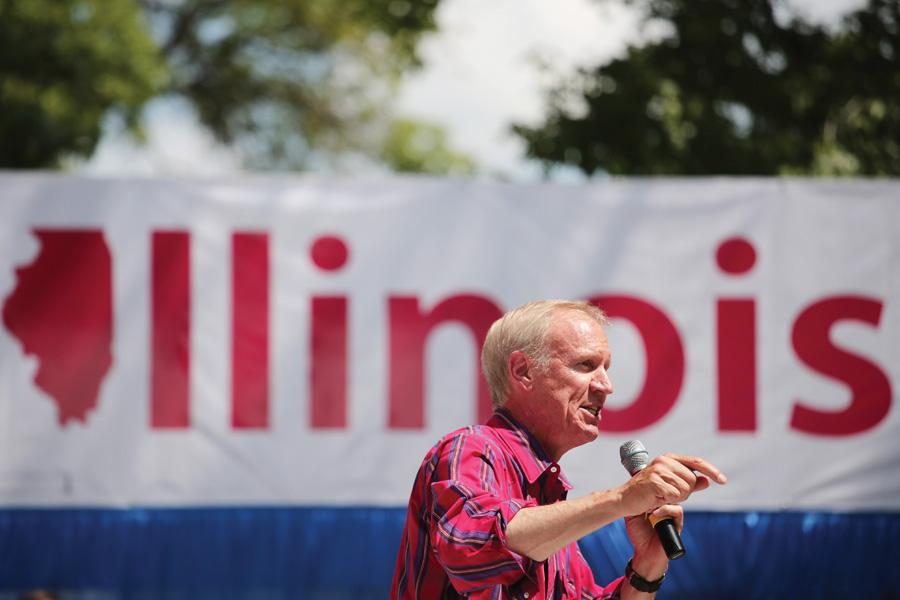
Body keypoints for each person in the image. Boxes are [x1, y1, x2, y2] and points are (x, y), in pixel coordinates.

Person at [391, 300, 727, 599]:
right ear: (523, 371)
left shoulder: (550, 504)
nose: (606, 386)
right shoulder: (471, 448)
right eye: (585, 365)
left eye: (605, 368)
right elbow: (470, 548)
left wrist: (646, 571)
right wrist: (622, 499)